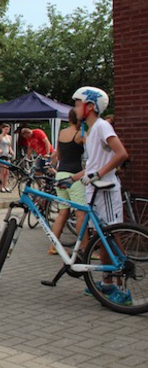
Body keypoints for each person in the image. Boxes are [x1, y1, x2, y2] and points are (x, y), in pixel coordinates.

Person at [58, 86, 129, 305]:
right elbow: (92, 166)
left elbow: (122, 154)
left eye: (78, 104)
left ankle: (123, 288)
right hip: (94, 190)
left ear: (90, 106)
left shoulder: (101, 126)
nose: (76, 108)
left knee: (112, 233)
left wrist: (98, 174)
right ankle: (107, 282)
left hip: (105, 189)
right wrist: (73, 178)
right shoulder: (90, 131)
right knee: (102, 237)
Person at [50, 109, 86, 255]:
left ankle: (53, 246)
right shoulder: (81, 134)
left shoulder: (62, 133)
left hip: (60, 175)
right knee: (80, 214)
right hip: (74, 176)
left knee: (62, 213)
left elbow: (56, 155)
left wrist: (53, 167)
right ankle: (85, 248)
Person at [0, 123, 14, 193]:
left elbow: (9, 146)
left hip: (7, 155)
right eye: (5, 129)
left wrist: (11, 151)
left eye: (8, 129)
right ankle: (1, 186)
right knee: (3, 171)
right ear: (2, 129)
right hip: (1, 155)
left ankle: (5, 186)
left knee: (7, 172)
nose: (7, 130)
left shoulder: (9, 137)